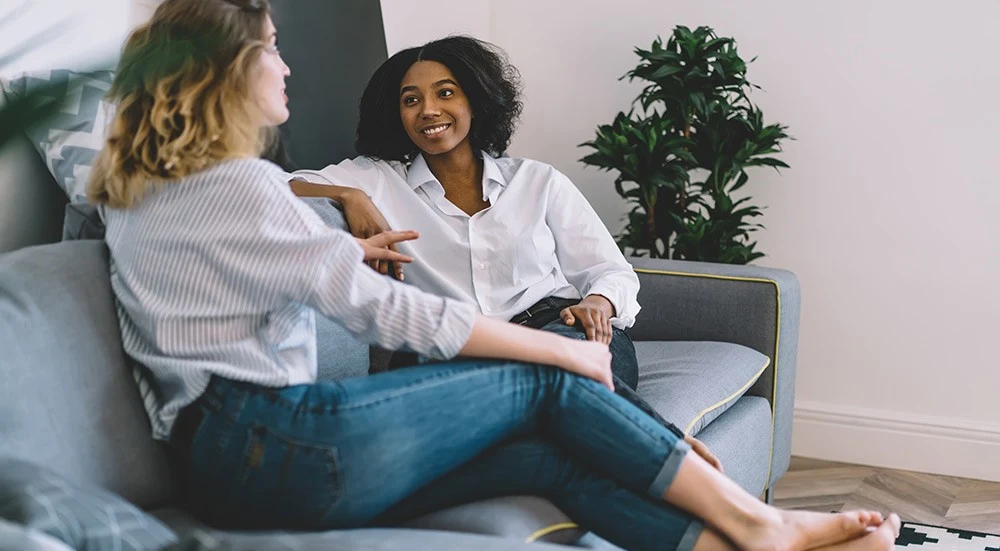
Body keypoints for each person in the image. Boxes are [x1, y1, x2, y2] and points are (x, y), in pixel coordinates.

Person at [86, 1, 899, 550]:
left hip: (235, 460)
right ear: (225, 70)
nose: (286, 68)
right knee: (544, 387)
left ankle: (730, 546)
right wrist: (568, 359)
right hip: (272, 437)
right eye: (270, 48)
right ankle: (761, 523)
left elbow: (244, 271)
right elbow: (385, 313)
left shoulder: (136, 190)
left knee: (551, 460)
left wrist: (337, 248)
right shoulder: (238, 184)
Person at [287, 35, 668, 433]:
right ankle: (646, 444)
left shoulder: (538, 181)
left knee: (581, 360)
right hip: (453, 351)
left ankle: (527, 417)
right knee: (557, 386)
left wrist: (599, 302)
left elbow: (611, 270)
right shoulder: (378, 179)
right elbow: (274, 186)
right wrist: (347, 194)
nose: (428, 110)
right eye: (411, 100)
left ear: (475, 100)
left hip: (557, 326)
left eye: (445, 93)